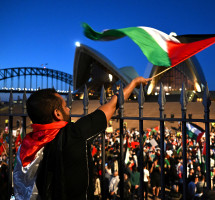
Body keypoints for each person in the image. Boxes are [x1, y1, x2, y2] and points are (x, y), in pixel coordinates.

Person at [13, 77, 151, 199]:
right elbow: (112, 105)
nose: (69, 109)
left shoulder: (26, 145)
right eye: (65, 106)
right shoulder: (74, 134)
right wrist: (133, 83)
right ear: (57, 114)